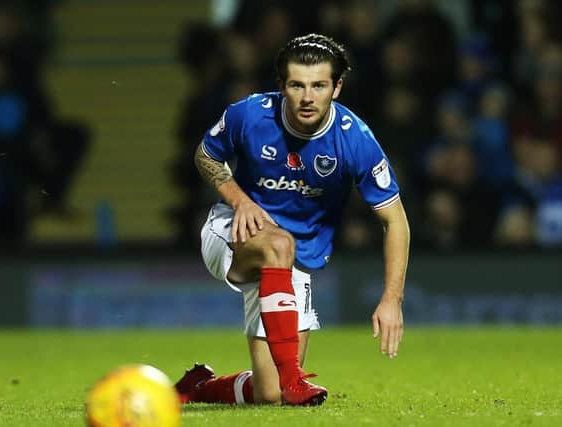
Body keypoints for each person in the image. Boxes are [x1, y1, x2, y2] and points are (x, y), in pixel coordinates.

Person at [175, 33, 410, 406]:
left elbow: (395, 221)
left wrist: (391, 299)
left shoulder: (356, 140)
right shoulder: (249, 114)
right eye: (297, 85)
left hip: (292, 264)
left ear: (337, 88)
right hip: (234, 233)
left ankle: (200, 386)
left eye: (319, 85)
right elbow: (205, 155)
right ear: (281, 86)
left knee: (272, 395)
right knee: (279, 243)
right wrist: (240, 201)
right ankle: (295, 378)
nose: (307, 97)